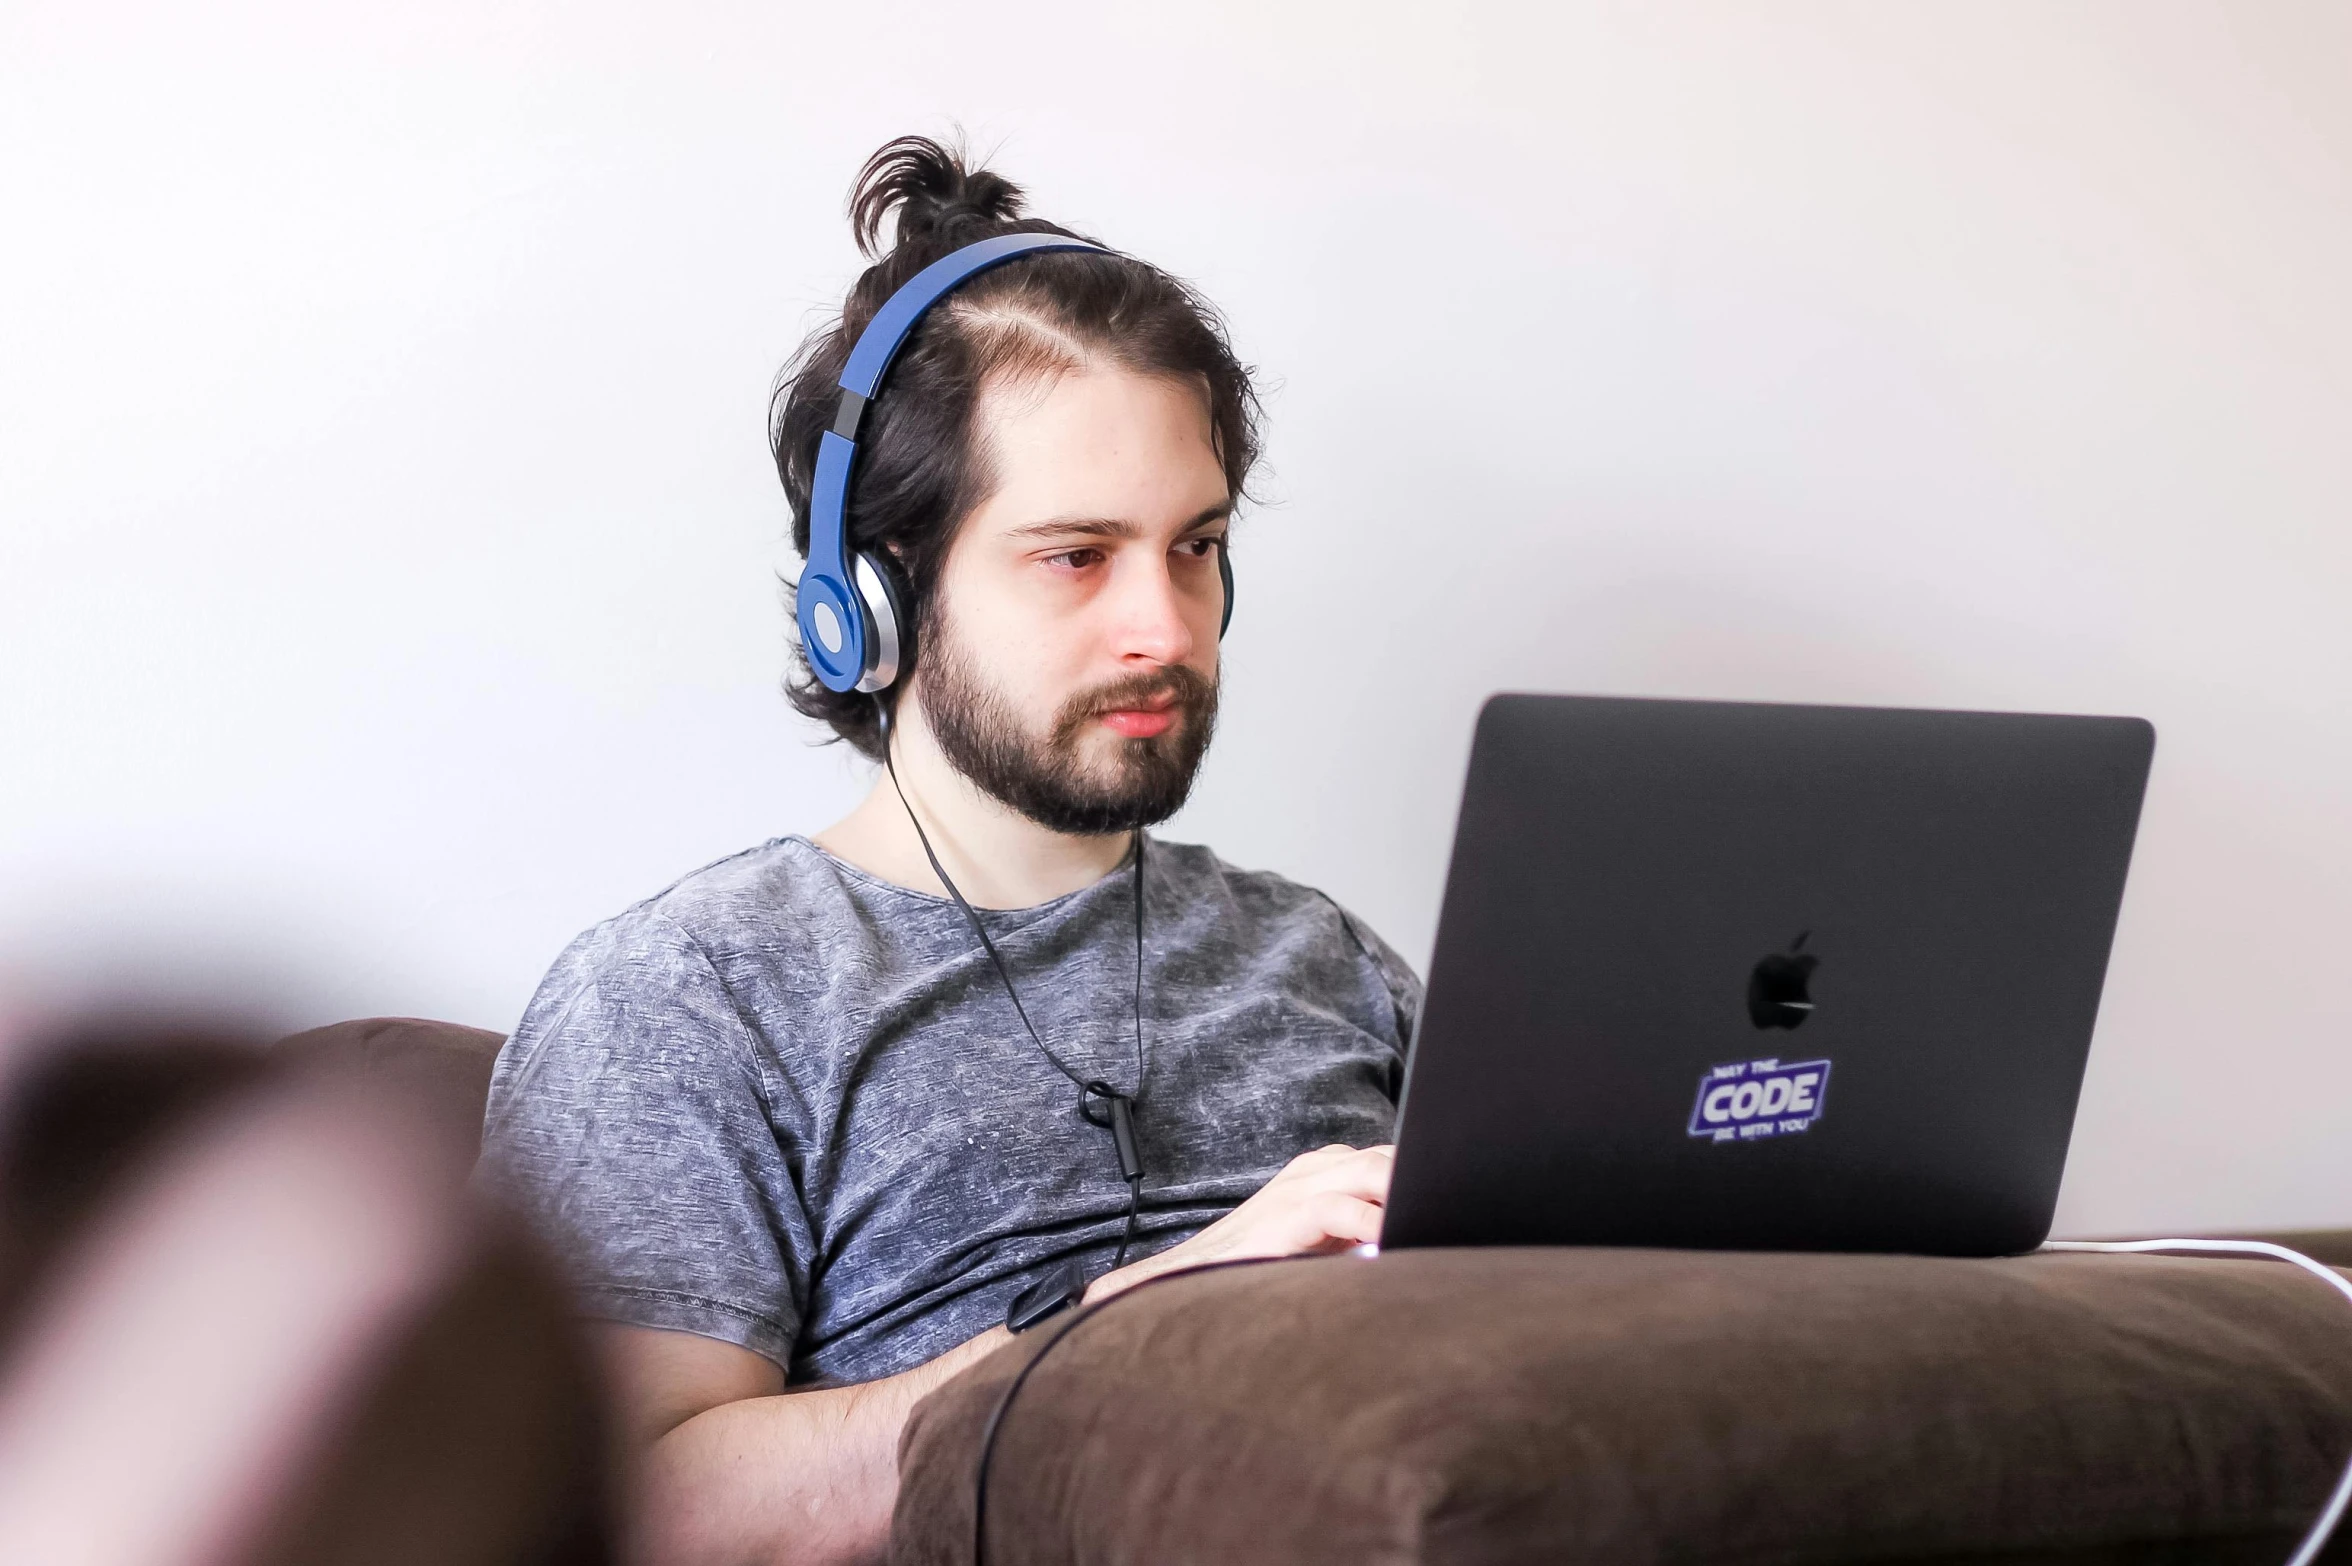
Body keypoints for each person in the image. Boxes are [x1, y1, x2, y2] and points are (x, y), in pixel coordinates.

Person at [478, 135, 1420, 1566]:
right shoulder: (686, 998)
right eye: (1075, 554)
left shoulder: (1328, 959)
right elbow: (623, 1512)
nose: (1165, 627)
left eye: (1197, 544)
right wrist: (1156, 1316)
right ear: (871, 593)